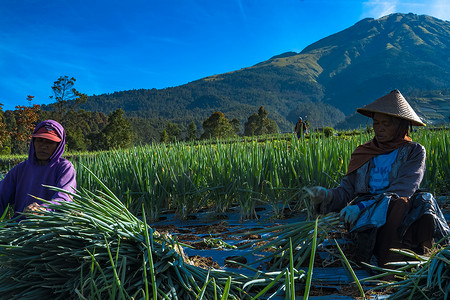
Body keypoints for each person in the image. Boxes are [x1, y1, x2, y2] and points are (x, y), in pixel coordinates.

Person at [308, 90, 450, 267]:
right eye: (376, 123)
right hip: (366, 210)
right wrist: (326, 196)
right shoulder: (363, 153)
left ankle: (405, 262)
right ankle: (386, 264)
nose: (379, 128)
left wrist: (361, 206)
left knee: (413, 202)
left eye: (386, 124)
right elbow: (346, 191)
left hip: (396, 205)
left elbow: (404, 188)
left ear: (400, 126)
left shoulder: (414, 151)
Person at [0, 120, 76, 219]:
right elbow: (1, 194)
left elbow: (64, 197)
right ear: (33, 142)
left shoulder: (64, 168)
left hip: (51, 229)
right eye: (39, 140)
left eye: (50, 142)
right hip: (20, 227)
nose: (43, 146)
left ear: (58, 146)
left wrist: (44, 209)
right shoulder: (20, 169)